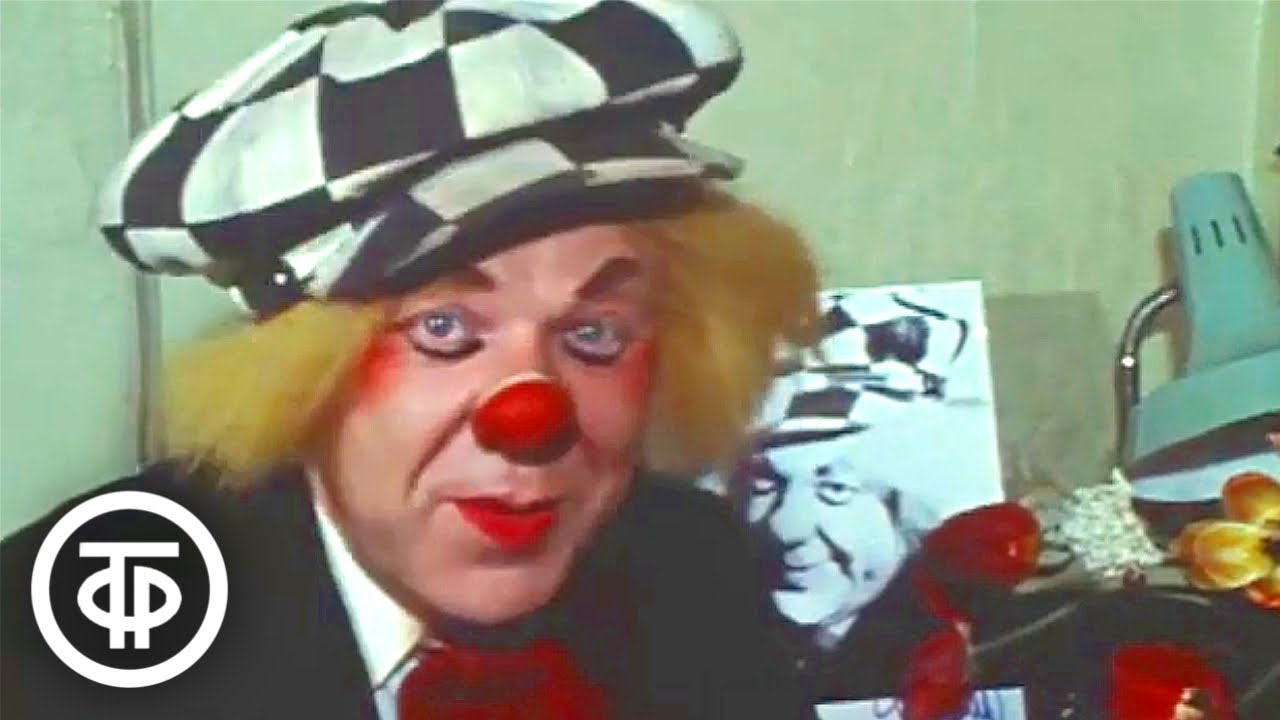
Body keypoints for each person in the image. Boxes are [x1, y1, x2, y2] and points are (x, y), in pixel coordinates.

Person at [0, 2, 825, 719]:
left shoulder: (689, 567)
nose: (531, 413)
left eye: (595, 334)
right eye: (442, 329)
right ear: (298, 376)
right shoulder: (65, 630)